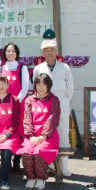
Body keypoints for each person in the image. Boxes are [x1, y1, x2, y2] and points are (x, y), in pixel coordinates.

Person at [32, 29, 74, 176]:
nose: (49, 52)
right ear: (42, 53)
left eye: (52, 49)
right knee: (46, 133)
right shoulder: (38, 69)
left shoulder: (65, 68)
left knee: (63, 133)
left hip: (61, 104)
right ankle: (48, 163)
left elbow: (70, 90)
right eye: (46, 50)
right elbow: (35, 88)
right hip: (44, 106)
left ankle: (64, 167)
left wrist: (65, 103)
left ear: (56, 51)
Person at [18, 73, 60, 190]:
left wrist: (43, 136)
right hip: (31, 135)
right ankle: (31, 177)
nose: (41, 87)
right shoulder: (29, 100)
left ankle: (41, 178)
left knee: (39, 152)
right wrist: (31, 136)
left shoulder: (54, 100)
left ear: (48, 86)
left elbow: (53, 118)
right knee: (26, 151)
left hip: (48, 136)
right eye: (38, 84)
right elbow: (27, 118)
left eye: (43, 85)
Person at [0, 42, 29, 170]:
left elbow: (25, 87)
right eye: (8, 51)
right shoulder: (0, 69)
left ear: (17, 53)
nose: (10, 53)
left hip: (19, 105)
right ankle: (6, 159)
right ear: (4, 53)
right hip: (4, 106)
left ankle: (17, 160)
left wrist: (16, 100)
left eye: (12, 51)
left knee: (19, 131)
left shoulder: (22, 68)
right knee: (6, 130)